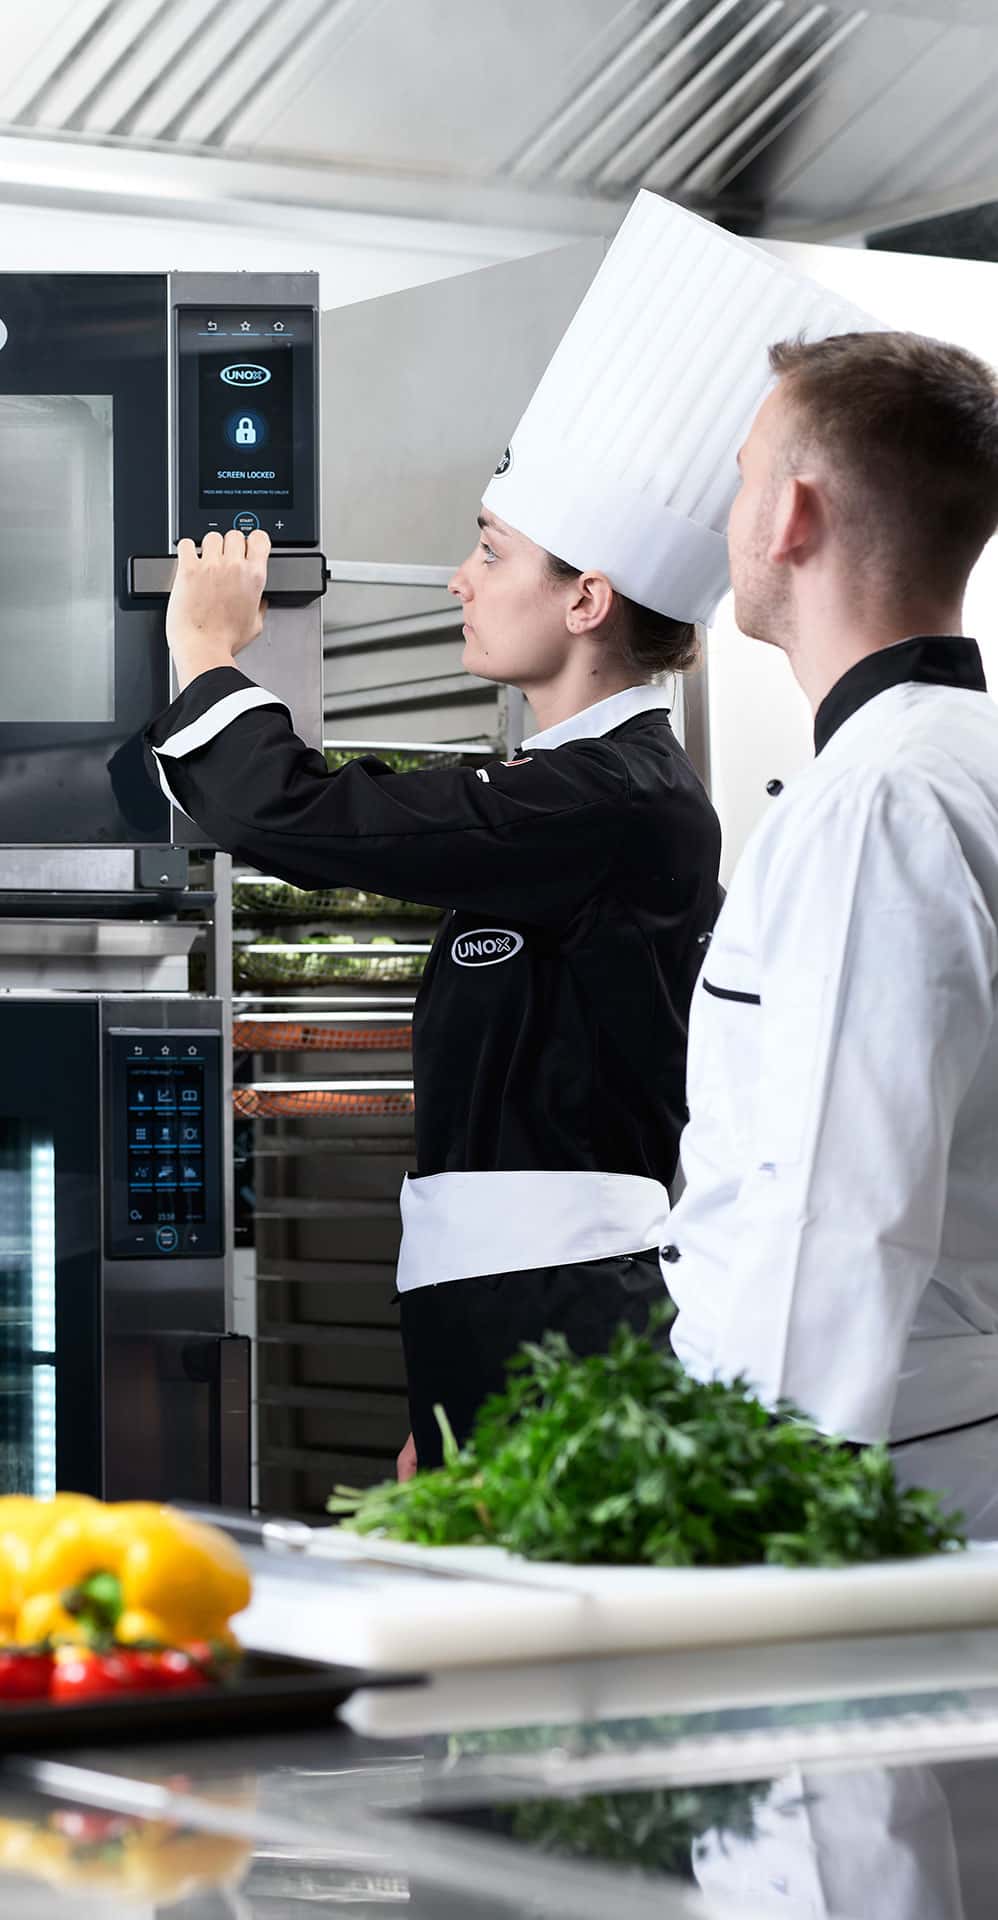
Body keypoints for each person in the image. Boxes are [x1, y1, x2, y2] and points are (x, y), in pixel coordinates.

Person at [145, 192, 870, 1476]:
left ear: (585, 597)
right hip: (498, 1318)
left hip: (571, 1314)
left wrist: (207, 650)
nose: (457, 579)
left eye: (489, 550)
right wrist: (452, 1390)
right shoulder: (554, 794)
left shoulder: (618, 802)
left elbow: (309, 811)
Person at [665, 329, 998, 1537]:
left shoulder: (880, 801)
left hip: (869, 1464)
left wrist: (747, 1509)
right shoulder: (952, 763)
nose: (731, 512)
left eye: (745, 475)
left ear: (790, 514)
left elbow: (837, 1205)